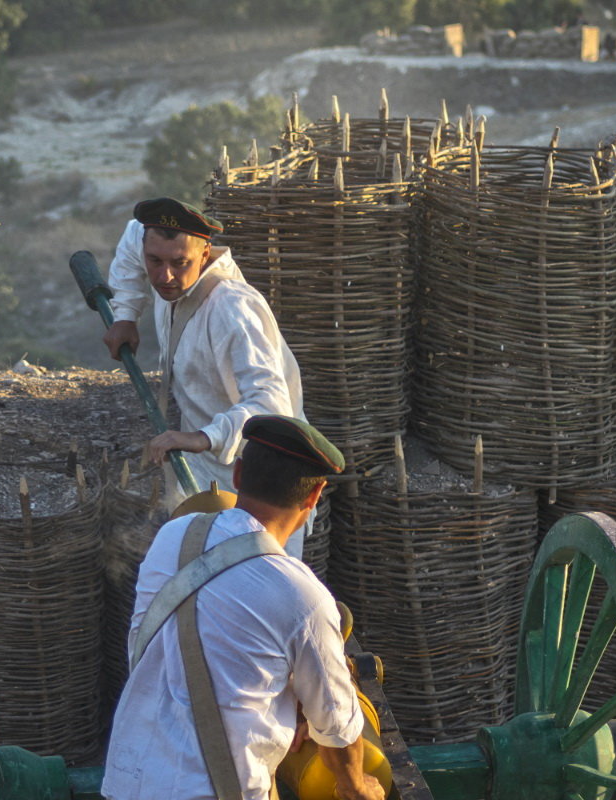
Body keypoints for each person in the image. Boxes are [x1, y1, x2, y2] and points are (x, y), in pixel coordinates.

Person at [102, 415, 384, 800]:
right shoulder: (304, 596)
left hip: (128, 783)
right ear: (315, 495)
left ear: (237, 475)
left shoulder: (174, 535)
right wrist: (356, 785)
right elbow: (338, 726)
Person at [101, 198, 306, 540]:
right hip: (201, 475)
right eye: (154, 261)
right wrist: (125, 315)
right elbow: (131, 237)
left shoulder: (232, 310)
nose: (164, 276)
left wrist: (204, 437)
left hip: (258, 485)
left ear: (205, 252)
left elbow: (272, 407)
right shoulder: (148, 242)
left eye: (180, 264)